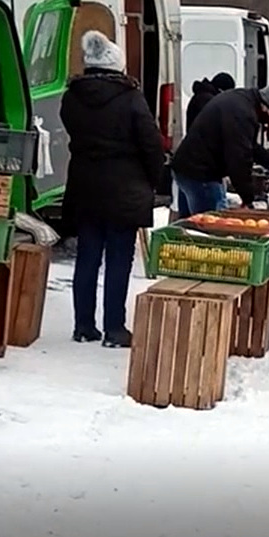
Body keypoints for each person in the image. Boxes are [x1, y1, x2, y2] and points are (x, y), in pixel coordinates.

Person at [60, 31, 164, 347]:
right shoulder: (130, 97)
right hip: (124, 188)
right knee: (119, 259)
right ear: (117, 64)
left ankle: (83, 325)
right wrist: (154, 178)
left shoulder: (72, 96)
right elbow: (150, 143)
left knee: (88, 257)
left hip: (85, 186)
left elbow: (71, 129)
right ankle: (115, 329)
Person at [170, 82, 269, 215]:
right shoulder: (243, 114)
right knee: (209, 226)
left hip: (186, 167)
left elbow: (247, 143)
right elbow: (239, 158)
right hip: (201, 174)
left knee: (188, 227)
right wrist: (248, 198)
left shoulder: (242, 100)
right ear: (266, 107)